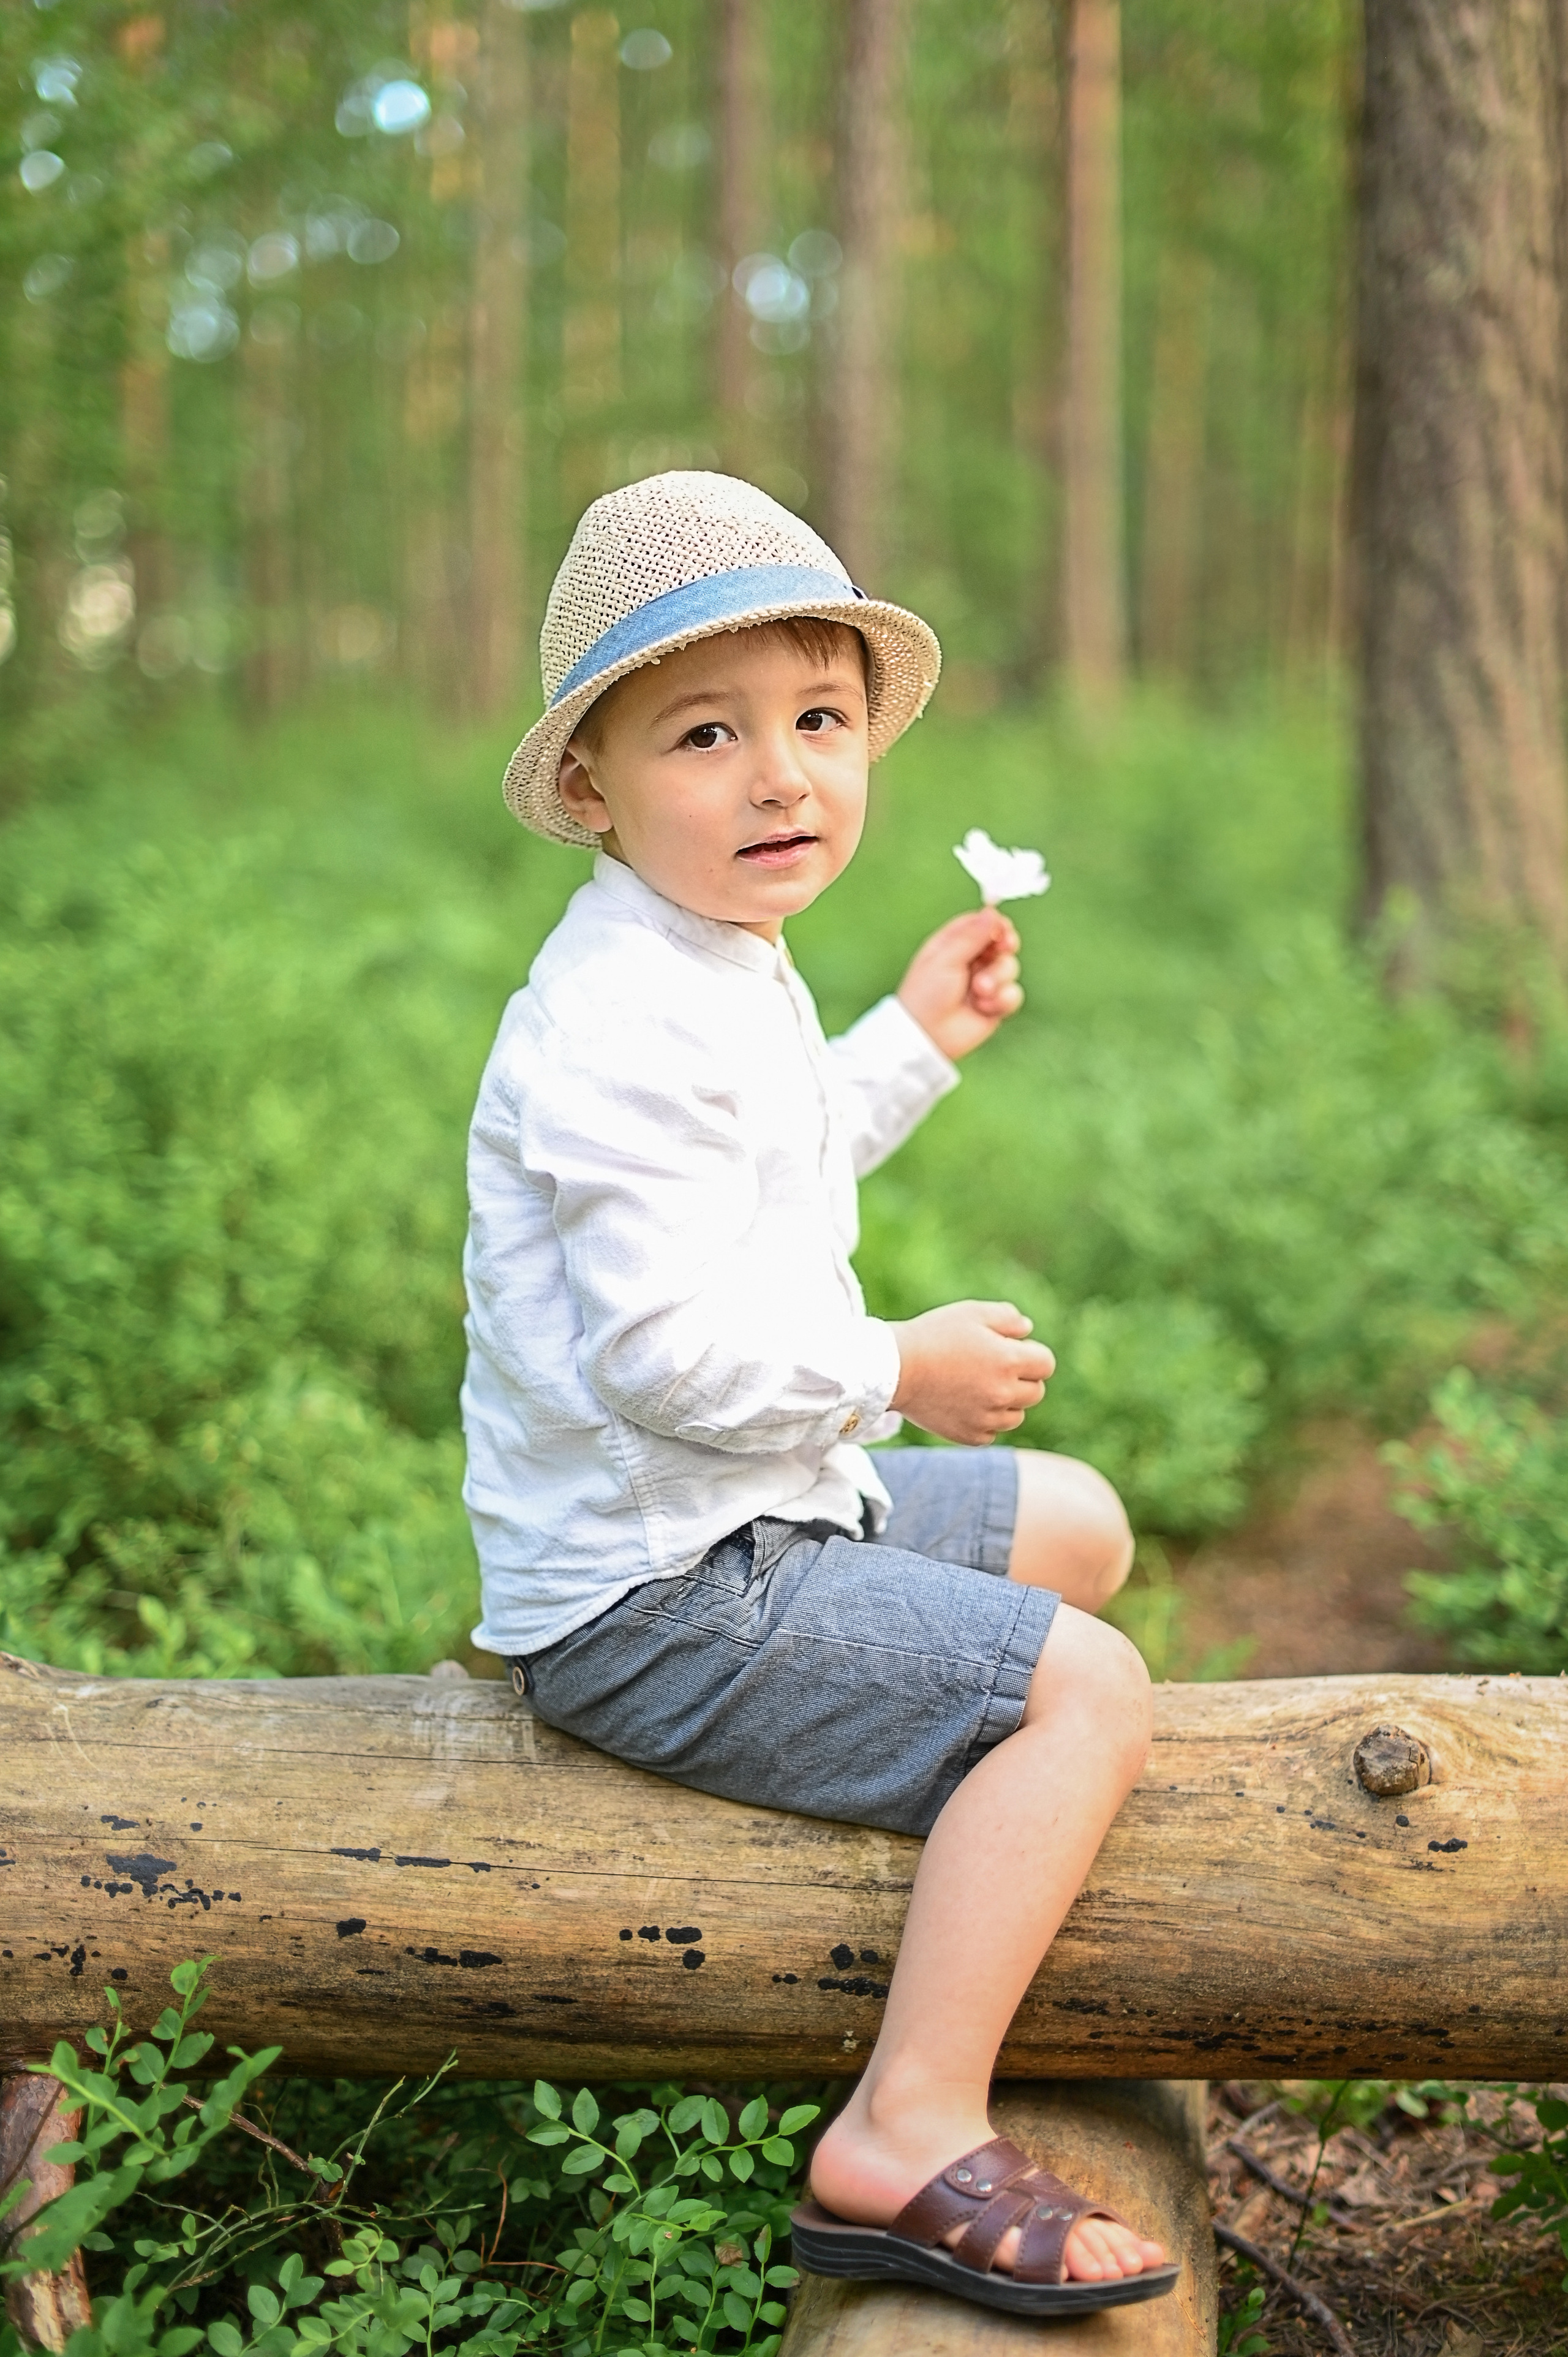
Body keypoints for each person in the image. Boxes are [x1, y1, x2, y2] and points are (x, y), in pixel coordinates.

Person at [462, 472, 1175, 2320]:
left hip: (761, 1508)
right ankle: (904, 2126)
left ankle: (950, 1777)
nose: (782, 777)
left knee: (1079, 1522)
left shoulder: (711, 950)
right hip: (659, 1595)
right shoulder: (615, 1022)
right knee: (1092, 1692)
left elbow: (771, 1177)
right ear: (592, 787)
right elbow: (659, 1359)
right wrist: (895, 1370)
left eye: (821, 720)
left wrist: (912, 1043)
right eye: (707, 734)